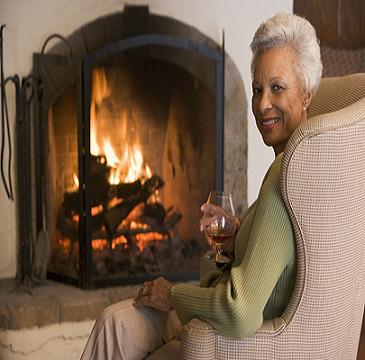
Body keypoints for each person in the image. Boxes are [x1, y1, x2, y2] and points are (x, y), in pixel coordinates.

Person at [80, 12, 323, 359]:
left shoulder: (285, 178)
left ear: (307, 94)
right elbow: (276, 256)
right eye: (256, 89)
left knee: (113, 327)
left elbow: (241, 312)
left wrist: (173, 294)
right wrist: (240, 234)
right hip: (213, 317)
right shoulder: (308, 160)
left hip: (224, 339)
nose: (262, 104)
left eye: (277, 87)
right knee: (114, 323)